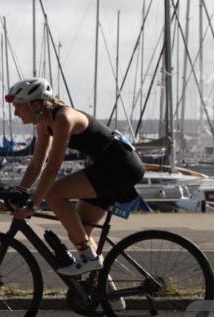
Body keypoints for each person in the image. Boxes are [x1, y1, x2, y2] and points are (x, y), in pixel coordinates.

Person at [7, 78, 144, 289]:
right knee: (79, 231)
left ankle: (89, 259)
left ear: (35, 104)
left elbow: (52, 168)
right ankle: (107, 293)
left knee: (54, 194)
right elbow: (36, 164)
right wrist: (19, 191)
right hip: (108, 167)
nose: (16, 113)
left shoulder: (63, 118)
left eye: (18, 106)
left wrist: (33, 205)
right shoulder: (44, 122)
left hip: (121, 166)